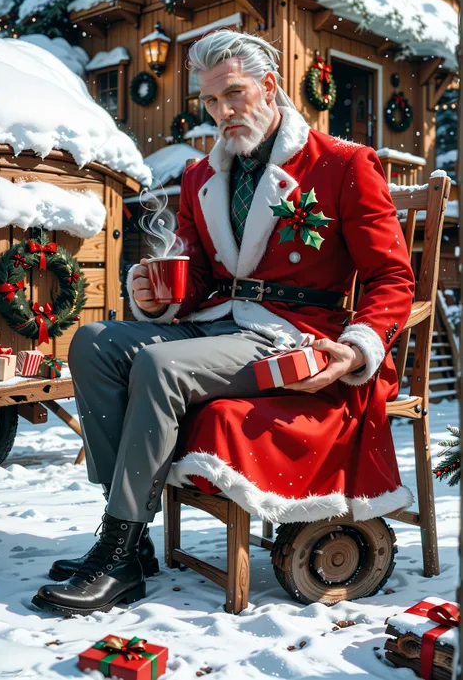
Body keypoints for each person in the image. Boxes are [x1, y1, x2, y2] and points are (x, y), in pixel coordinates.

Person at [32, 30, 414, 616]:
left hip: (291, 332)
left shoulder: (340, 164)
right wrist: (155, 296)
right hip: (218, 323)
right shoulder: (199, 177)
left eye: (233, 94)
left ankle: (117, 552)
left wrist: (357, 347)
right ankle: (127, 540)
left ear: (269, 85)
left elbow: (392, 279)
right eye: (211, 102)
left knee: (159, 365)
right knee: (92, 341)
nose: (223, 113)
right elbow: (202, 275)